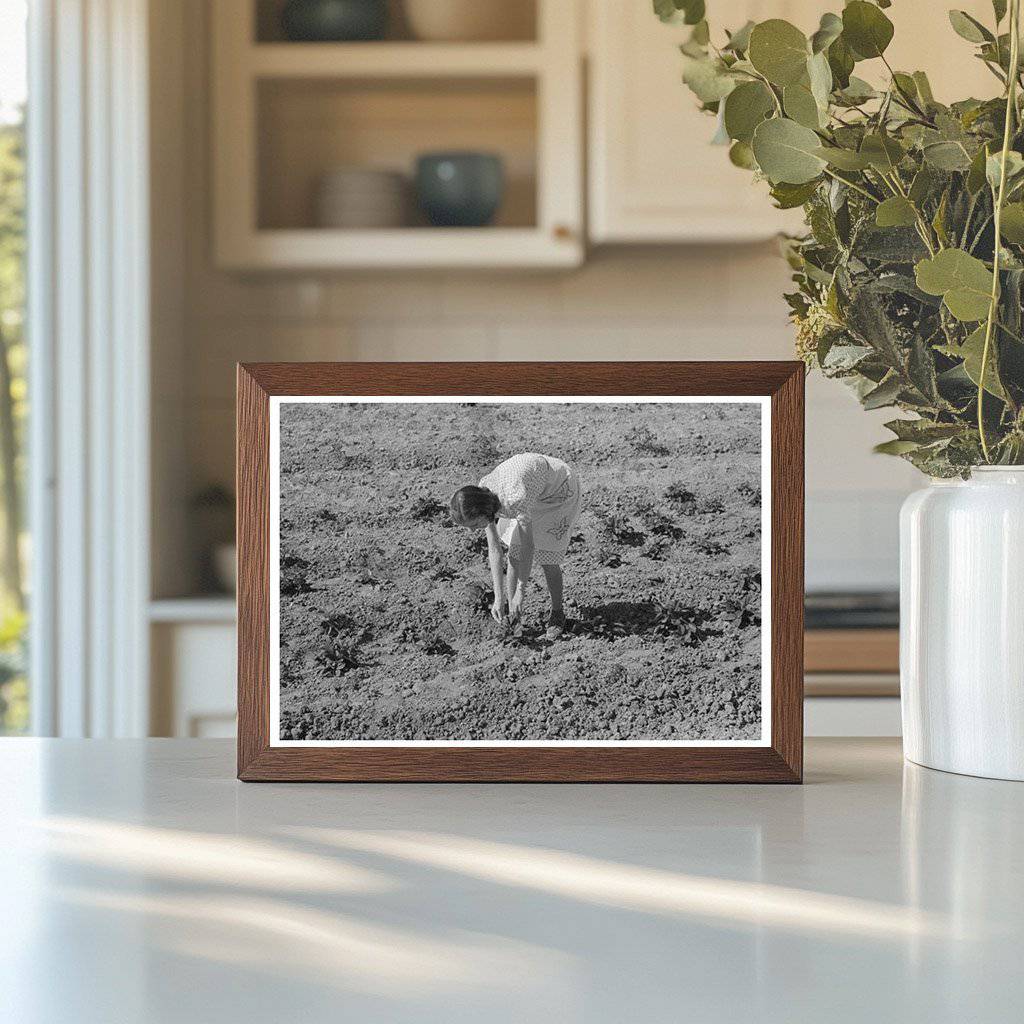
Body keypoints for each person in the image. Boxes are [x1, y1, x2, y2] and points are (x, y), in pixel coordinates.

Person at [450, 453, 581, 637]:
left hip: (558, 491)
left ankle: (558, 613)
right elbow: (495, 549)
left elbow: (529, 547)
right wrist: (498, 597)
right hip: (530, 490)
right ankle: (513, 618)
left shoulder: (515, 499)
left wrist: (521, 590)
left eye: (473, 525)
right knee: (514, 552)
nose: (472, 531)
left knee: (547, 557)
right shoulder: (482, 493)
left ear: (482, 512)